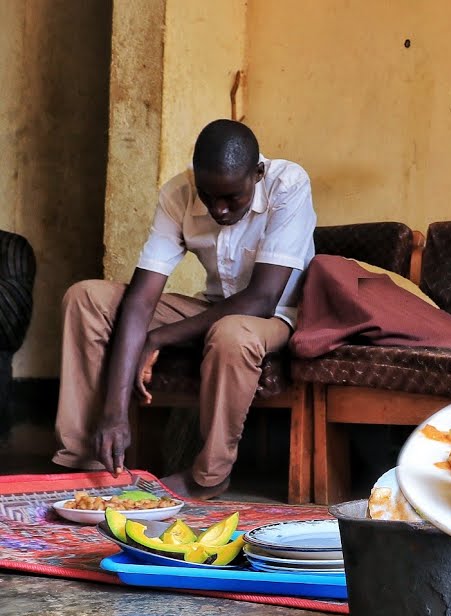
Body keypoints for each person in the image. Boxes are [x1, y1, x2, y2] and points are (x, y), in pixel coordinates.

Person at [52, 119, 317, 499]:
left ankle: (208, 476)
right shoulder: (178, 192)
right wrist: (114, 413)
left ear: (257, 174)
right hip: (210, 308)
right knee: (86, 297)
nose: (219, 210)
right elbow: (142, 297)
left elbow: (262, 298)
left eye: (232, 198)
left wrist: (157, 337)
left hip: (275, 317)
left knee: (232, 333)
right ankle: (83, 462)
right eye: (209, 197)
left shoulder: (288, 184)